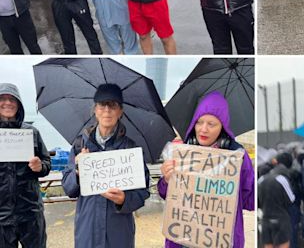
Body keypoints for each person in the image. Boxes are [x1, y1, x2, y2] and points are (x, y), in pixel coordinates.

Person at [158, 91, 255, 248]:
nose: (203, 129)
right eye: (199, 122)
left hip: (221, 240)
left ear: (222, 128)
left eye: (211, 124)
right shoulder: (182, 153)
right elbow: (165, 195)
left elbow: (251, 201)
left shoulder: (238, 157)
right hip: (183, 240)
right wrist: (166, 180)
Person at [62, 84, 150, 248]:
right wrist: (78, 172)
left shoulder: (130, 149)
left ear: (120, 112)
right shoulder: (79, 144)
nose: (107, 110)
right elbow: (68, 189)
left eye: (113, 105)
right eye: (102, 105)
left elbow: (142, 192)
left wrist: (124, 200)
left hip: (119, 233)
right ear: (95, 110)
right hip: (87, 230)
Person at [0, 83, 51, 248]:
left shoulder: (32, 132)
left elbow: (46, 163)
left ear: (19, 105)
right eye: (3, 99)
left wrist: (39, 167)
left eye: (12, 100)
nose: (7, 103)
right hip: (1, 215)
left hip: (30, 212)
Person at [259, 151, 296, 248]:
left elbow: (258, 202)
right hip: (281, 220)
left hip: (266, 219)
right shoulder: (281, 179)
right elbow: (291, 199)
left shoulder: (261, 180)